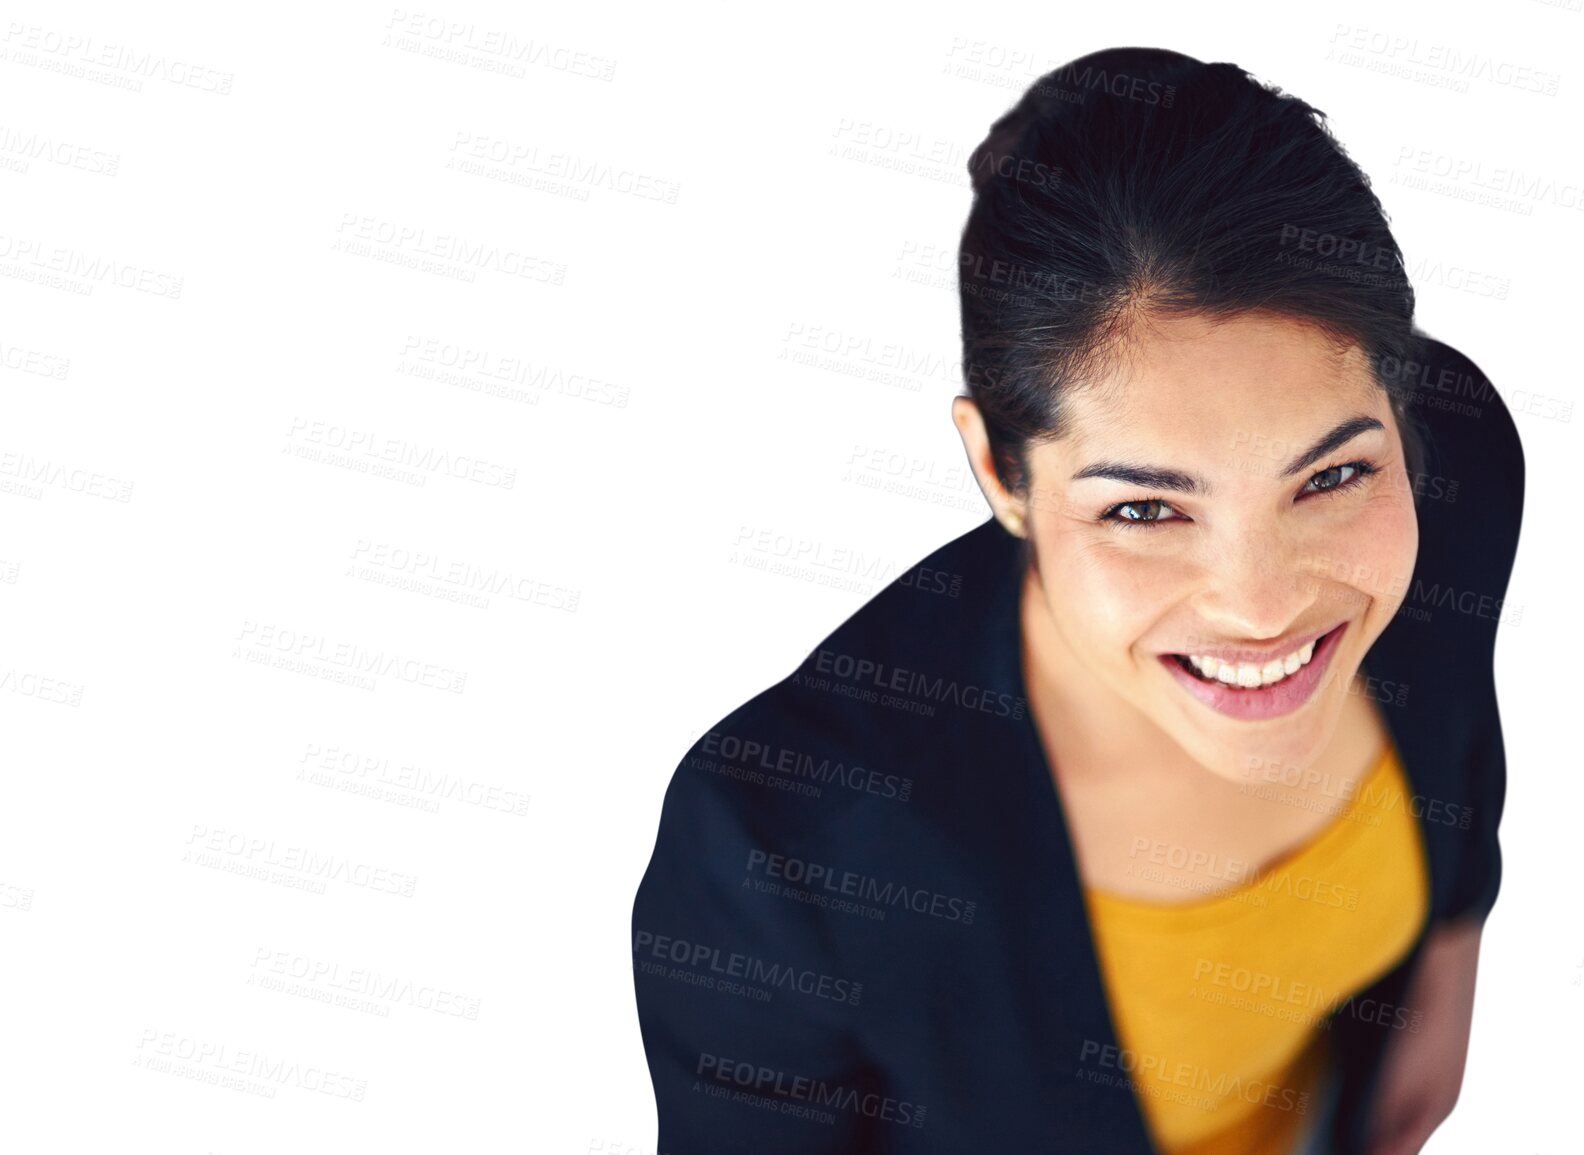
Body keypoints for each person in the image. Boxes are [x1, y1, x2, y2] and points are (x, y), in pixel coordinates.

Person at [631, 46, 1524, 1155]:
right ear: (1001, 471)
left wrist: (1442, 972)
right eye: (1146, 510)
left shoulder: (1460, 468)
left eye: (1332, 476)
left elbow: (1458, 745)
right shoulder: (783, 844)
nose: (1261, 608)